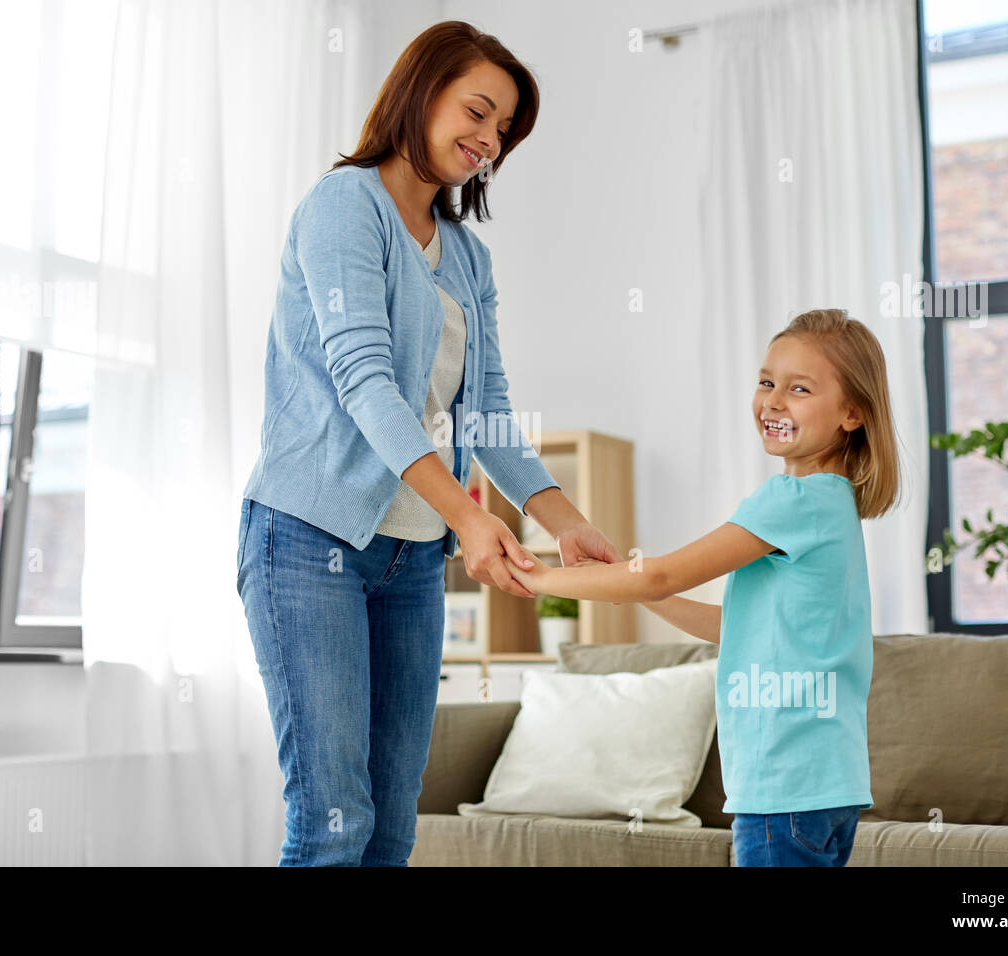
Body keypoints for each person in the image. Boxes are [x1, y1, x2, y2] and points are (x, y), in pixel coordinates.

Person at [236, 20, 619, 866]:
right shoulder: (344, 206)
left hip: (410, 559)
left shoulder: (468, 260)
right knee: (335, 823)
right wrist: (473, 517)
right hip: (309, 540)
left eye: (502, 131)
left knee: (393, 828)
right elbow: (364, 382)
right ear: (421, 90)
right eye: (477, 111)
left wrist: (564, 519)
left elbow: (486, 410)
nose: (487, 139)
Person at [507, 307, 903, 866]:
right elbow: (741, 628)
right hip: (827, 791)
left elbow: (666, 570)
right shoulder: (834, 507)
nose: (773, 401)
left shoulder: (790, 501)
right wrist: (643, 591)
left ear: (852, 413)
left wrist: (542, 576)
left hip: (781, 789)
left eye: (799, 388)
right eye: (767, 382)